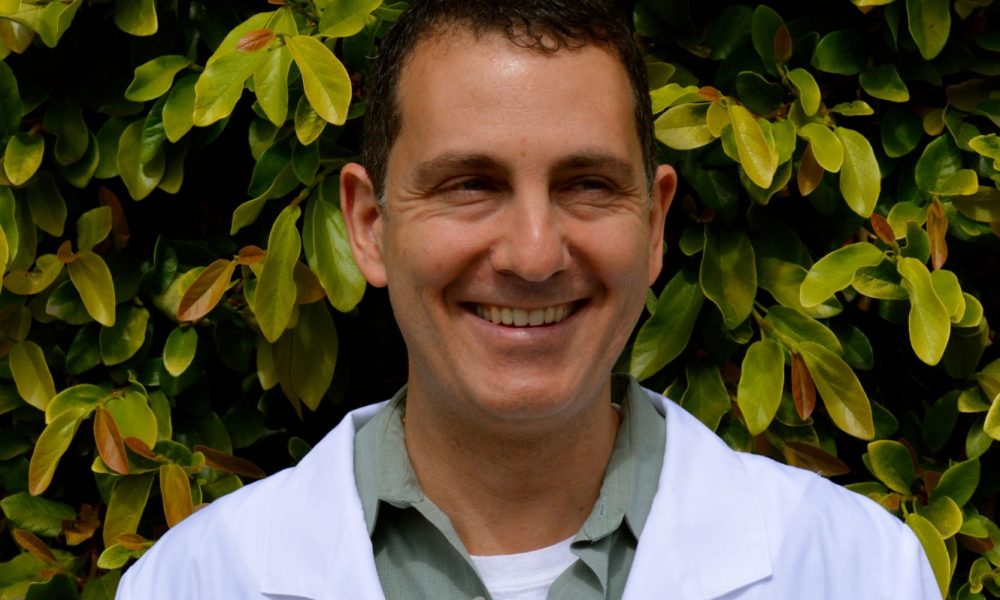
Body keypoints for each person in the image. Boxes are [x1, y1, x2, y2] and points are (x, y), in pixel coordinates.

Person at [116, 1, 939, 598]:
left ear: (654, 225)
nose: (535, 254)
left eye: (588, 185)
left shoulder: (857, 571)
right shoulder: (191, 583)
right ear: (369, 226)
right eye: (470, 185)